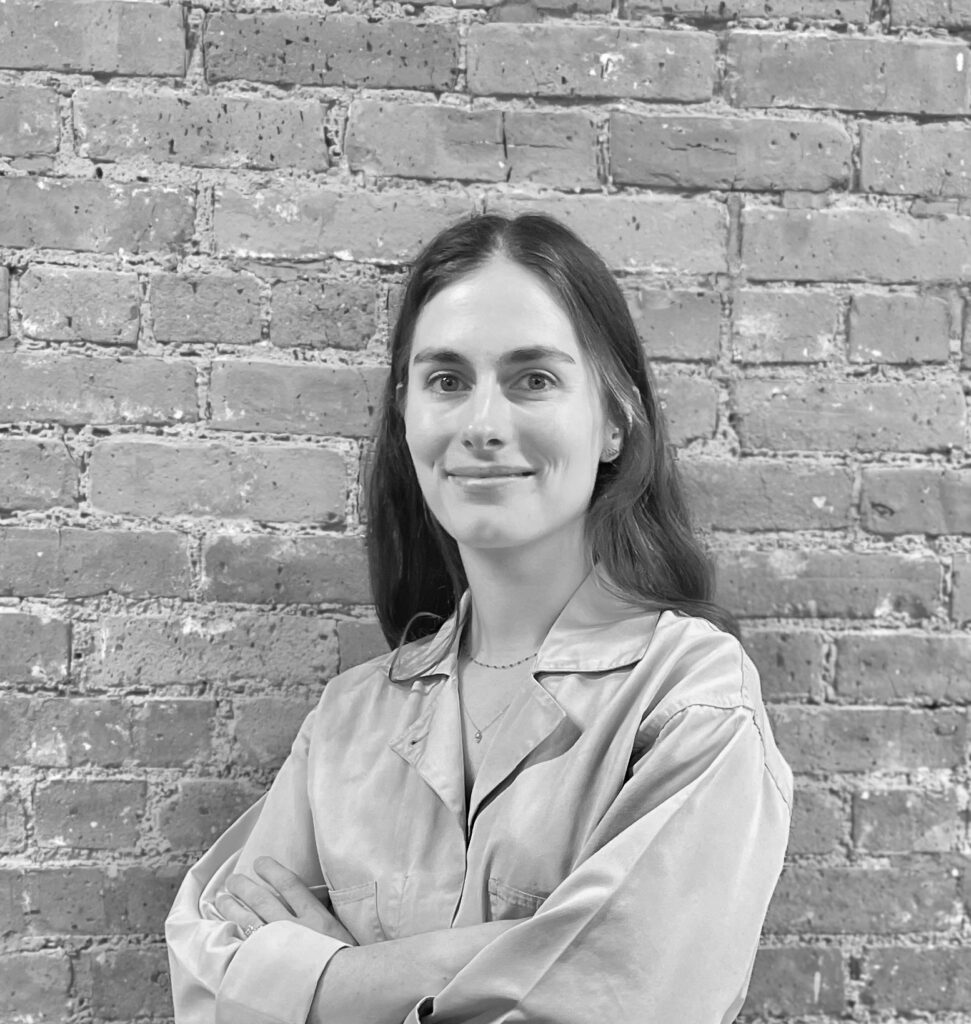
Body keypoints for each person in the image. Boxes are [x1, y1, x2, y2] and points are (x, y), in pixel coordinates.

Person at [165, 212, 792, 1024]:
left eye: (533, 380)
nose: (483, 426)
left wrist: (327, 981)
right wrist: (495, 957)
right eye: (447, 380)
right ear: (406, 415)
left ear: (613, 419)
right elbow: (207, 983)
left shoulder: (689, 700)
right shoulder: (349, 720)